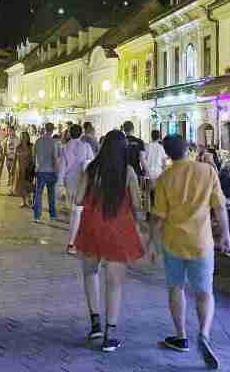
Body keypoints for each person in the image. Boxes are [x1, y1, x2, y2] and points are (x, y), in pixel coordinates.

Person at [150, 134, 228, 369]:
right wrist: (225, 234)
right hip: (201, 242)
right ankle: (204, 333)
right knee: (205, 292)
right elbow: (219, 206)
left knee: (176, 288)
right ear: (188, 149)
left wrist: (152, 244)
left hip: (173, 242)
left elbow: (157, 217)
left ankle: (181, 335)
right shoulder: (207, 171)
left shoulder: (165, 179)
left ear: (167, 154)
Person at [73, 130, 144, 353]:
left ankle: (95, 322)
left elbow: (77, 199)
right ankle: (109, 333)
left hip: (93, 225)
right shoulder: (128, 171)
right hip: (118, 228)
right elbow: (138, 204)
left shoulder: (92, 169)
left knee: (90, 272)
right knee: (114, 283)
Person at [61, 124, 95, 255]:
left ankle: (73, 241)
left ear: (70, 133)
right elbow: (92, 163)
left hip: (69, 182)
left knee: (74, 213)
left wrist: (60, 186)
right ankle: (72, 243)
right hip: (82, 182)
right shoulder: (85, 147)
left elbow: (62, 168)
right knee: (77, 213)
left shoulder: (65, 148)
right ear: (81, 134)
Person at [33, 123, 60, 222]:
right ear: (52, 130)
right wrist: (57, 171)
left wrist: (35, 168)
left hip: (40, 171)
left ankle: (37, 216)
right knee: (51, 194)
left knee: (38, 194)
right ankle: (52, 215)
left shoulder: (38, 141)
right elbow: (55, 158)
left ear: (44, 129)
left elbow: (34, 157)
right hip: (51, 171)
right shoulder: (54, 142)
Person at [144, 130, 167, 212]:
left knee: (148, 194)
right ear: (159, 137)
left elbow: (143, 160)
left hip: (148, 173)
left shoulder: (147, 146)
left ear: (151, 136)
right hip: (158, 174)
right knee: (157, 194)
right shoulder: (161, 148)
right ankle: (156, 211)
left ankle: (148, 212)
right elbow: (164, 162)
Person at [13, 130, 34, 208]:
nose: (23, 138)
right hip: (20, 169)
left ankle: (29, 198)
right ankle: (23, 201)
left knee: (28, 184)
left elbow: (33, 158)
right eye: (22, 137)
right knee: (21, 185)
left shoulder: (31, 146)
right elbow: (15, 159)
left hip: (28, 169)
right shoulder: (18, 147)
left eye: (25, 136)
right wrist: (13, 168)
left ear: (28, 137)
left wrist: (33, 168)